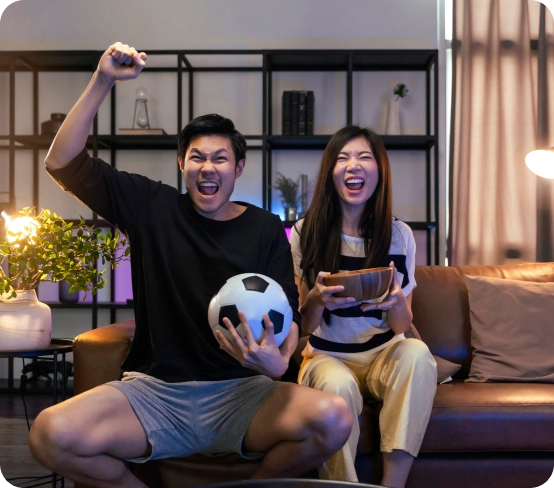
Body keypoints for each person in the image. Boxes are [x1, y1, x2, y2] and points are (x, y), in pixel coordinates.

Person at [28, 42, 353, 488]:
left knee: (334, 418)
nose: (208, 167)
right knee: (49, 433)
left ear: (239, 167)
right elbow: (61, 162)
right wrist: (102, 80)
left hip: (243, 393)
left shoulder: (264, 227)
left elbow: (290, 314)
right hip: (154, 394)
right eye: (197, 157)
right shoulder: (151, 207)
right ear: (182, 164)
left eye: (220, 158)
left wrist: (277, 362)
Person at [290, 126, 437, 488]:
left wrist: (397, 300)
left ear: (379, 171)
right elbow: (304, 325)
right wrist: (316, 299)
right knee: (336, 384)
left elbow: (402, 325)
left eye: (363, 157)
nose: (352, 165)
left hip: (383, 355)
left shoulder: (399, 235)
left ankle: (392, 485)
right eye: (342, 158)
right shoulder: (305, 231)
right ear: (331, 172)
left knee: (418, 354)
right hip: (327, 357)